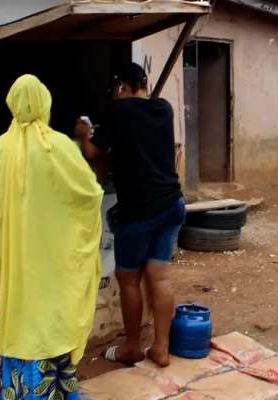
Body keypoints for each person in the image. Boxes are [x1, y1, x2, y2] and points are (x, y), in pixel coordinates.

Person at [0, 74, 103, 399]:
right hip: (53, 273)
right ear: (45, 103)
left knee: (19, 331)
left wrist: (2, 233)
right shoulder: (62, 148)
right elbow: (91, 195)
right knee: (53, 331)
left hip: (17, 277)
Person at [75, 62, 185, 367]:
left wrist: (85, 133)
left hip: (137, 212)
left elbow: (92, 153)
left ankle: (133, 348)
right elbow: (137, 148)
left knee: (128, 279)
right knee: (159, 276)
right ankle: (161, 349)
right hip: (171, 205)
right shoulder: (164, 109)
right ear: (145, 83)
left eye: (115, 89)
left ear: (121, 86)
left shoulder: (119, 112)